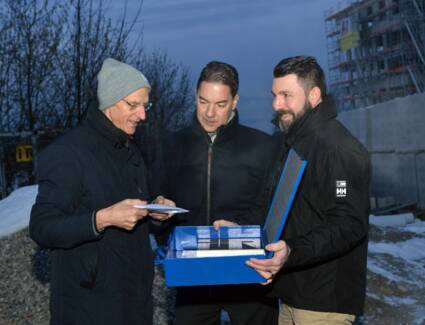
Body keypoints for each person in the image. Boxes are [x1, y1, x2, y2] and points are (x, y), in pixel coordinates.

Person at [30, 58, 174, 325]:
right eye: (133, 105)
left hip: (135, 304)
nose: (142, 115)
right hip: (90, 308)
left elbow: (130, 216)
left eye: (145, 106)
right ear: (109, 102)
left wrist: (154, 213)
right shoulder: (68, 153)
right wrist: (102, 218)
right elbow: (42, 227)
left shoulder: (130, 150)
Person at [246, 56, 370, 324]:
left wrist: (292, 250)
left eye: (286, 95)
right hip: (292, 292)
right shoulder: (296, 141)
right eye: (274, 95)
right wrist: (242, 228)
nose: (276, 104)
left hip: (323, 303)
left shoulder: (337, 150)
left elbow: (348, 221)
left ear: (314, 95)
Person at [158, 61, 279, 325]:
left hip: (249, 268)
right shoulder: (171, 146)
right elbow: (158, 204)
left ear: (235, 101)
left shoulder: (263, 146)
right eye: (203, 101)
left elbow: (274, 207)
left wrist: (241, 227)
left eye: (220, 104)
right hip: (194, 273)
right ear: (195, 95)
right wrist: (159, 217)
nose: (210, 113)